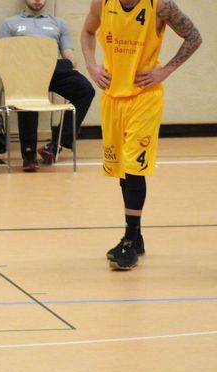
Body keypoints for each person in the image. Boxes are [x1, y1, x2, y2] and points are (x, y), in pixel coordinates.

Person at [82, 0, 201, 270]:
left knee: (135, 167)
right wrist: (91, 66)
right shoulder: (102, 3)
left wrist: (165, 71)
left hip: (144, 98)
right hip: (113, 97)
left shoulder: (159, 5)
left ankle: (128, 241)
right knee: (122, 169)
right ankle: (136, 237)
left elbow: (194, 36)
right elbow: (88, 31)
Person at [0, 0, 95, 172]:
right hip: (24, 74)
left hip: (52, 71)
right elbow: (0, 58)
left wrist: (51, 64)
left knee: (85, 90)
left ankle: (55, 145)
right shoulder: (9, 23)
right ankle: (29, 156)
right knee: (29, 91)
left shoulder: (58, 23)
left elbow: (70, 59)